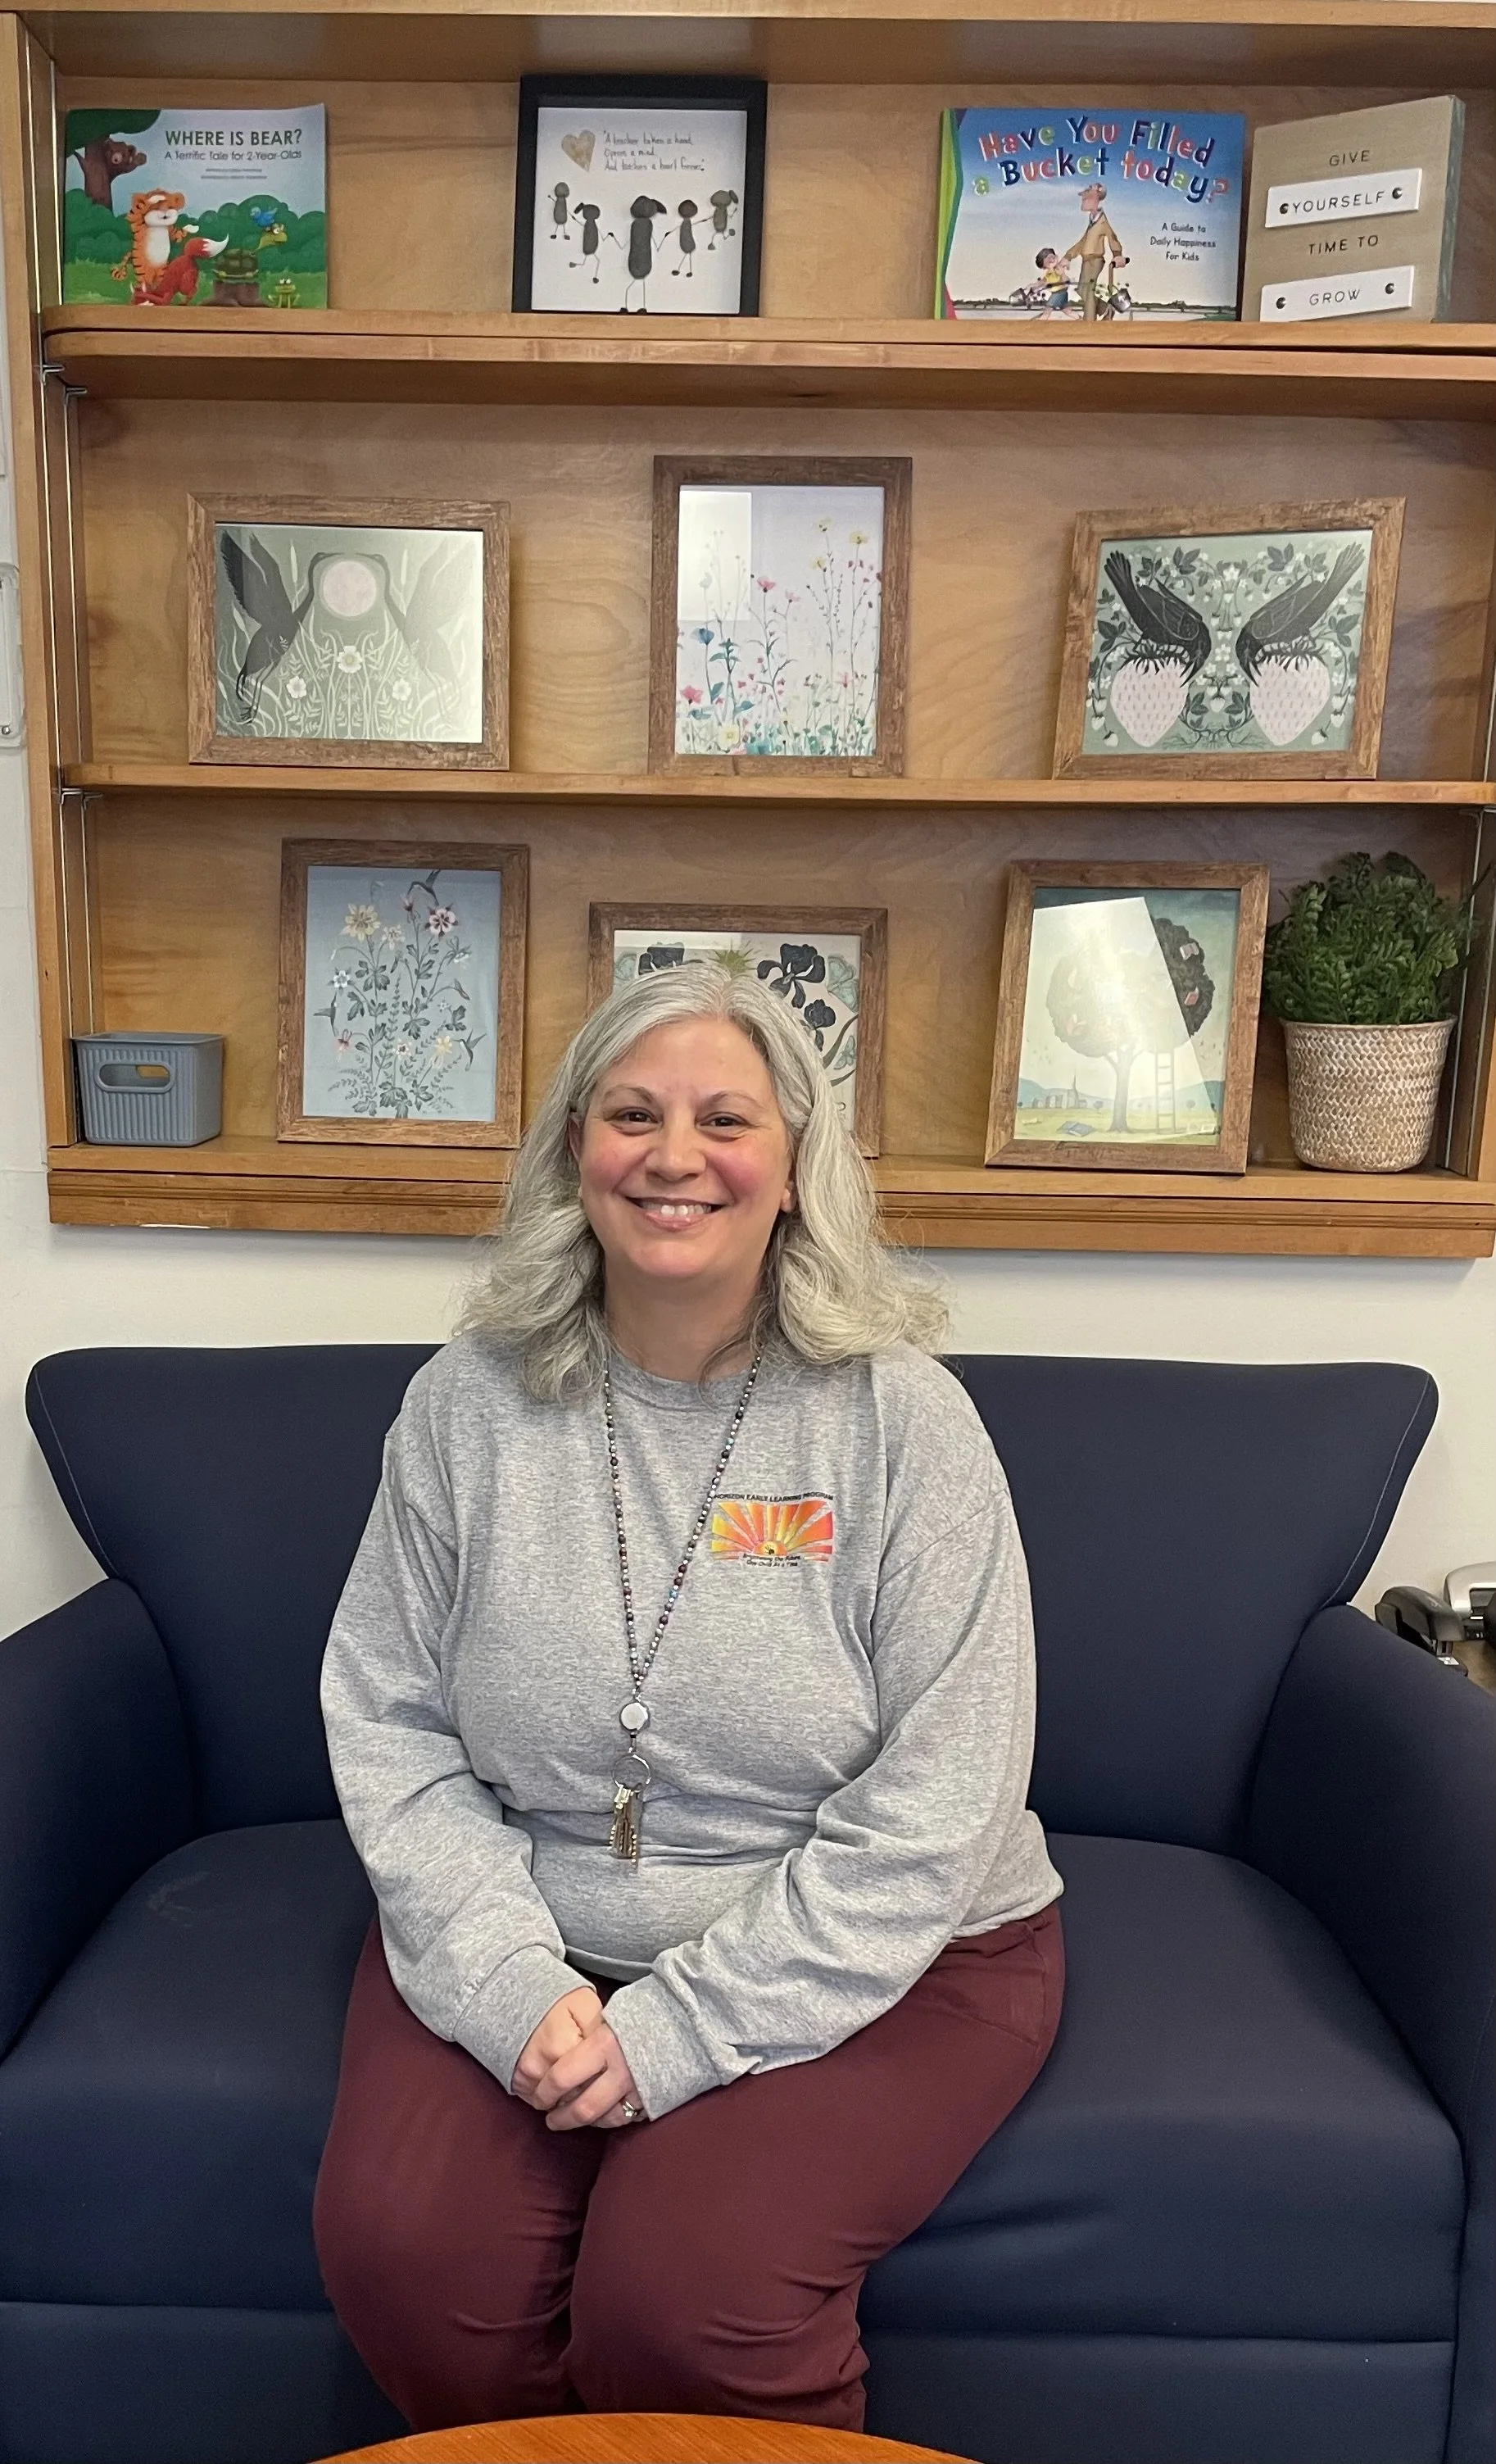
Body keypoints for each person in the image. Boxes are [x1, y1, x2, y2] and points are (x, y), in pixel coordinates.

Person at [314, 963, 1064, 2437]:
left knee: (683, 2292)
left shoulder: (902, 1419)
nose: (673, 1155)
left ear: (793, 1167)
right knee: (408, 2259)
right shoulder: (466, 1404)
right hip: (538, 1920)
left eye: (726, 1117)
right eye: (631, 1113)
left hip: (896, 1946)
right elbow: (388, 1718)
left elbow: (940, 1798)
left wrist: (670, 2038)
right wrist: (513, 1986)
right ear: (573, 1153)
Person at [1055, 180, 1126, 321]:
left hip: (1095, 260)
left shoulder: (1102, 221)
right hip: (1086, 260)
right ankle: (1108, 307)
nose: (1083, 199)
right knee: (1083, 290)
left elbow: (1113, 238)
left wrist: (1118, 255)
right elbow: (1083, 242)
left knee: (1088, 290)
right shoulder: (1092, 219)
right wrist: (1068, 256)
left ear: (1097, 198)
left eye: (1087, 197)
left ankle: (1090, 321)